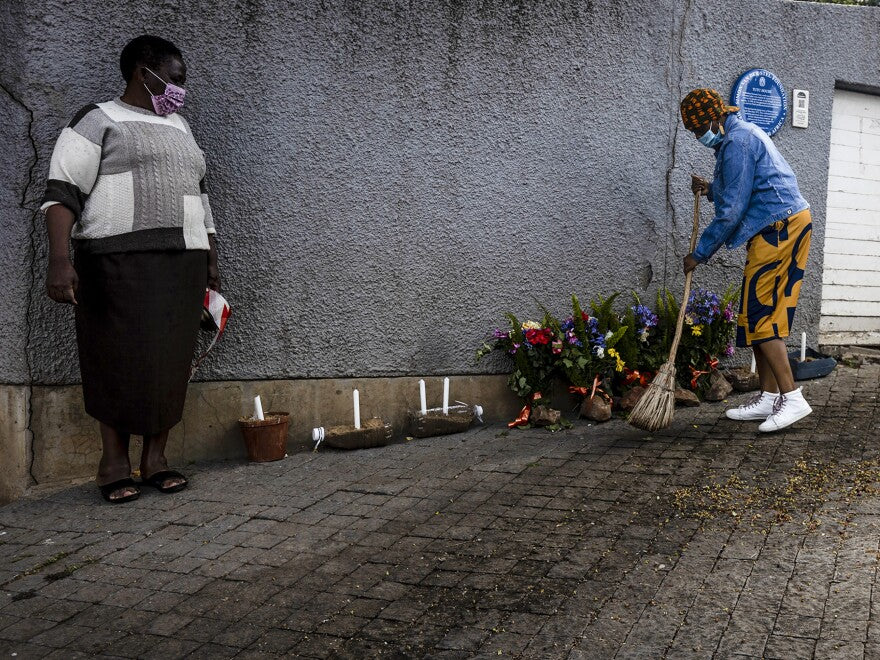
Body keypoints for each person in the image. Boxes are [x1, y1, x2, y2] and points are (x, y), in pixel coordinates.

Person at [41, 35, 221, 502]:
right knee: (115, 359)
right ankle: (113, 465)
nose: (181, 89)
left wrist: (211, 258)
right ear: (145, 73)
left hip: (183, 261)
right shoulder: (98, 119)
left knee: (170, 361)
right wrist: (60, 262)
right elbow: (62, 192)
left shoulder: (180, 125)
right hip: (115, 261)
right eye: (176, 79)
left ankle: (155, 461)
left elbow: (200, 195)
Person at [679, 88, 812, 433]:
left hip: (780, 227)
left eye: (698, 129)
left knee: (760, 313)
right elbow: (737, 189)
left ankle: (792, 397)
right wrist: (709, 189)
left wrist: (700, 253)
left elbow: (732, 210)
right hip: (779, 225)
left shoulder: (738, 142)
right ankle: (769, 398)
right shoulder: (736, 138)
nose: (699, 137)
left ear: (714, 118)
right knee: (755, 314)